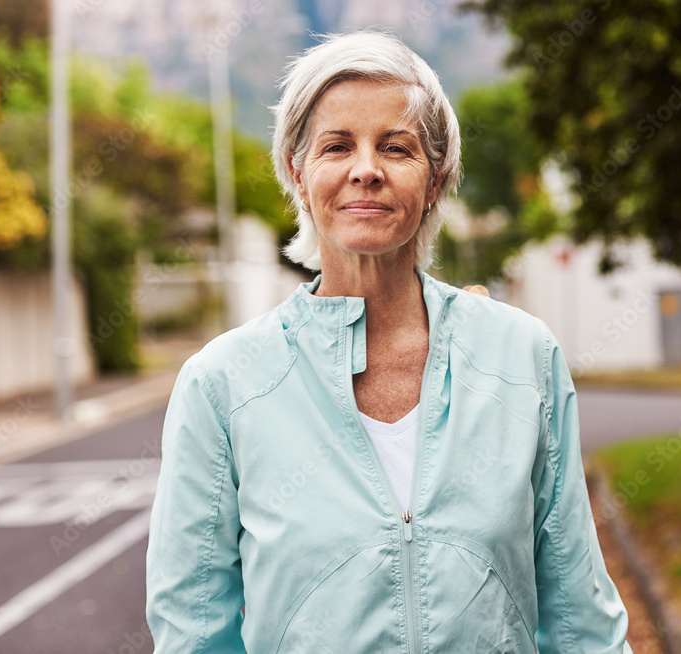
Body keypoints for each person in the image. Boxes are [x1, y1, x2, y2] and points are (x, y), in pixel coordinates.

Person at [146, 30, 633, 653]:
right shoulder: (221, 383)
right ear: (298, 174)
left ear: (435, 181)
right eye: (337, 145)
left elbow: (577, 612)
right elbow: (194, 631)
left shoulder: (523, 356)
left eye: (396, 148)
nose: (366, 170)